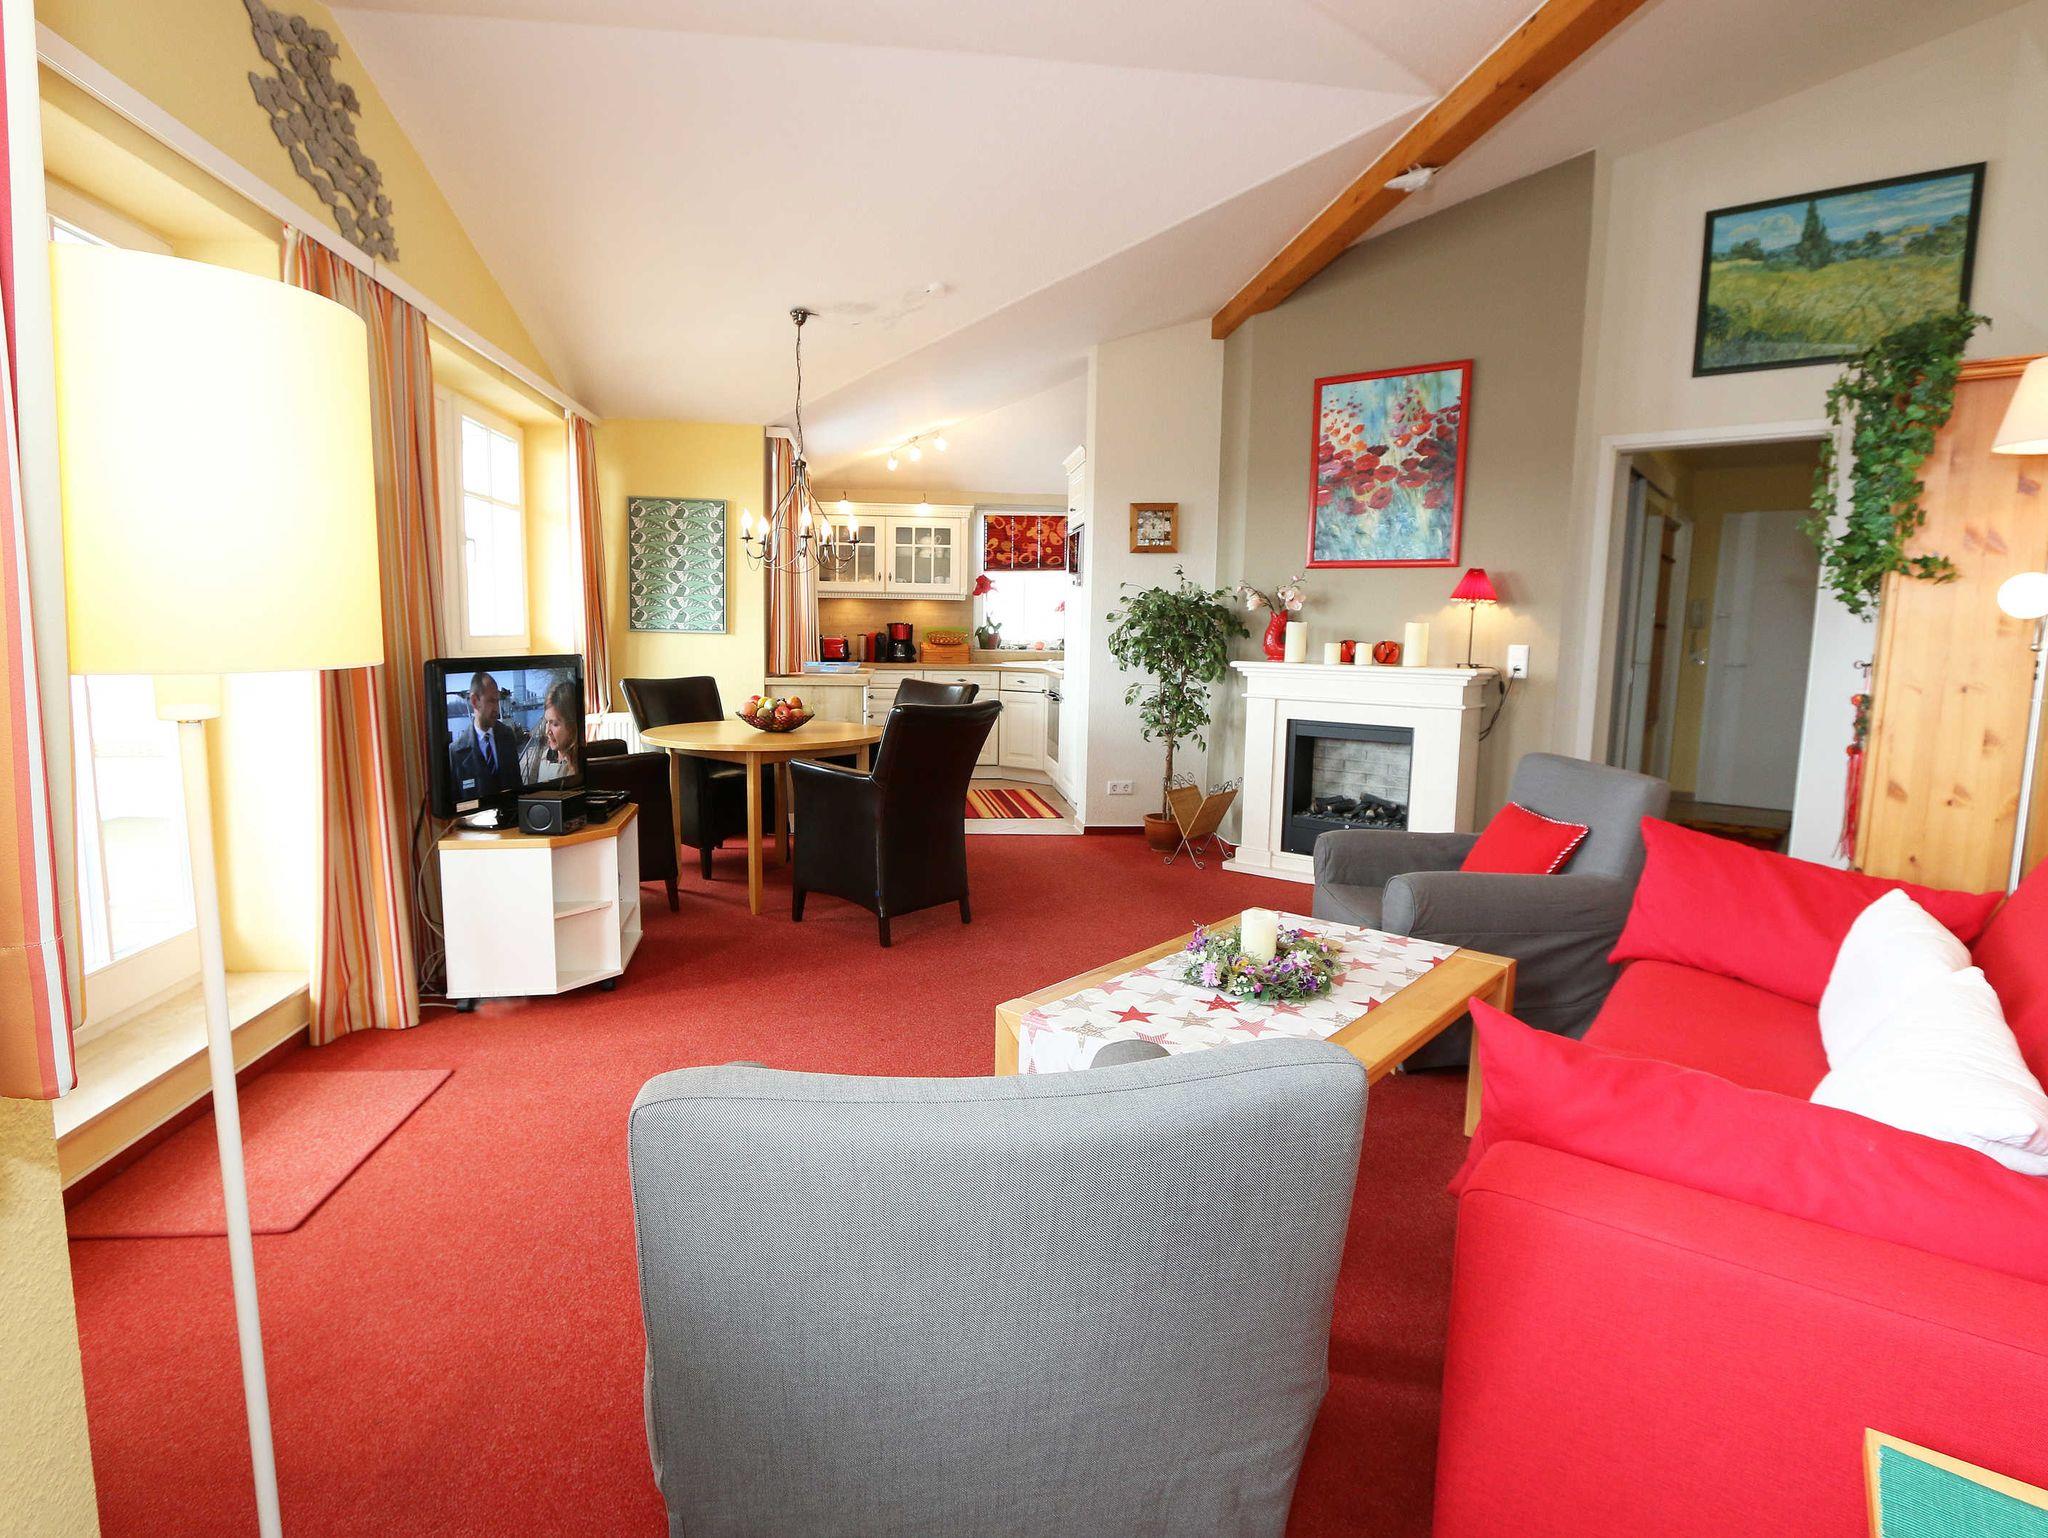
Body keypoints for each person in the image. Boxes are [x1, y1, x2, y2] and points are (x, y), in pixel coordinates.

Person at [449, 671, 526, 803]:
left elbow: (517, 784)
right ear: (474, 701)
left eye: (497, 701)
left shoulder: (507, 735)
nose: (497, 708)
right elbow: (456, 803)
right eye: (491, 701)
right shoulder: (456, 752)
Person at [519, 679, 582, 785]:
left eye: (555, 724)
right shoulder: (546, 757)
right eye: (547, 722)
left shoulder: (581, 767)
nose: (547, 731)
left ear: (572, 725)